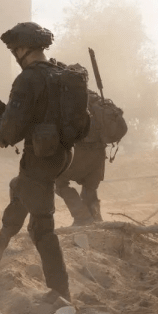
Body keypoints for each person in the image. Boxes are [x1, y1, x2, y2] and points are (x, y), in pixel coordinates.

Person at [0, 22, 73, 301]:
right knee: (21, 187)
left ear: (24, 49)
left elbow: (14, 124)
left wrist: (0, 138)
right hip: (62, 154)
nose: (14, 55)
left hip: (40, 156)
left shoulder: (28, 79)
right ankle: (0, 242)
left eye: (14, 50)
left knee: (42, 228)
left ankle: (60, 292)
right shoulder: (60, 73)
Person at [55, 64, 106, 226]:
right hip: (99, 155)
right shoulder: (97, 98)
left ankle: (82, 217)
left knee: (59, 182)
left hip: (79, 153)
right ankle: (96, 219)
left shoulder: (67, 99)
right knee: (90, 188)